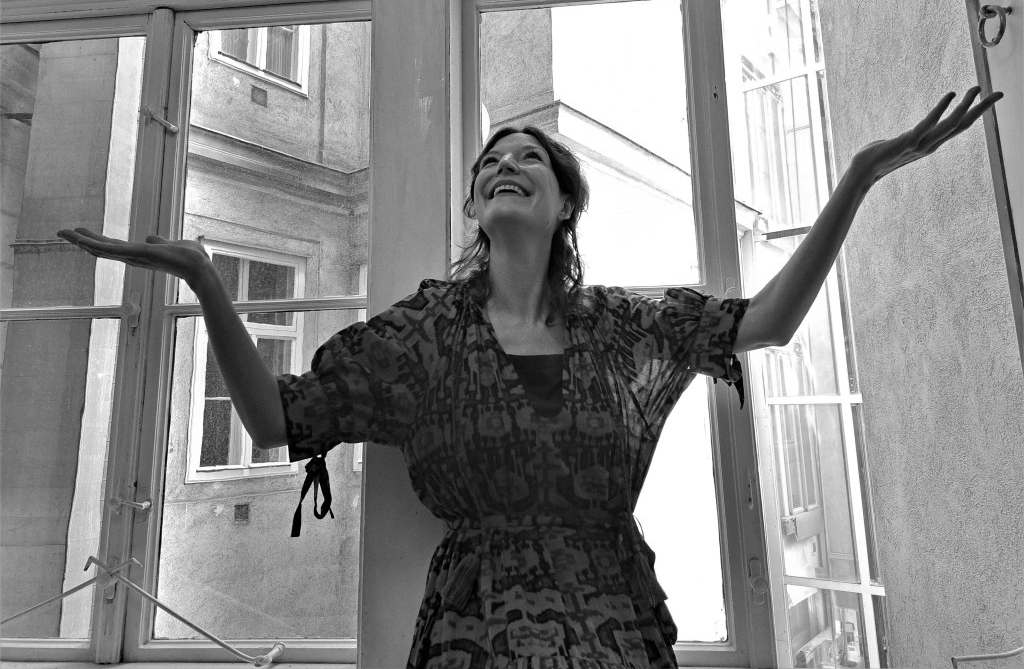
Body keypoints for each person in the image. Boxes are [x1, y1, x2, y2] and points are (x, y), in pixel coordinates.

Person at [58, 86, 1001, 668]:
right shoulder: (423, 336)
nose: (508, 164)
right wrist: (204, 279)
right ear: (477, 204)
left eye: (529, 159)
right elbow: (274, 419)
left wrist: (856, 180)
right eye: (492, 162)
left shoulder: (621, 325)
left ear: (564, 204)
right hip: (478, 635)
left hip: (619, 629)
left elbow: (767, 322)